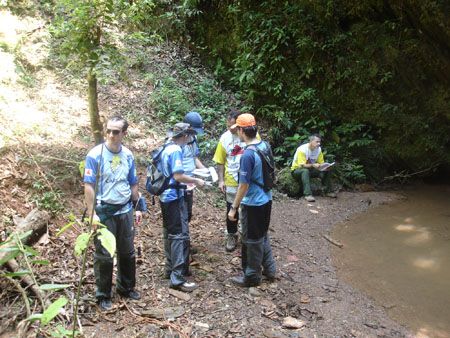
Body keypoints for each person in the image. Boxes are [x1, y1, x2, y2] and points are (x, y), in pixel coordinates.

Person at [84, 116, 146, 311]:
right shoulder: (95, 155)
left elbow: (133, 182)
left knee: (127, 252)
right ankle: (103, 294)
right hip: (105, 211)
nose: (111, 135)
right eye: (108, 131)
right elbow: (89, 185)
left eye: (116, 132)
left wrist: (138, 206)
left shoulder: (128, 155)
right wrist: (92, 214)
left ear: (124, 134)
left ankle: (126, 287)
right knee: (104, 255)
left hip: (125, 209)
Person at [228, 113, 276, 287]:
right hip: (267, 198)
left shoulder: (248, 155)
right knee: (262, 234)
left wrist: (233, 208)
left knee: (251, 240)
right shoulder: (265, 146)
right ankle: (270, 269)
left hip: (253, 203)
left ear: (241, 130)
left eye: (237, 130)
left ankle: (252, 276)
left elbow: (243, 185)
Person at [159, 122, 205, 292]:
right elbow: (178, 176)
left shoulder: (165, 147)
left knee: (168, 233)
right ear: (184, 136)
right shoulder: (176, 150)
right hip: (174, 196)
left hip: (165, 196)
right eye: (188, 136)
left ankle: (169, 269)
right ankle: (177, 278)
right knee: (178, 235)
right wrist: (196, 180)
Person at [213, 110, 246, 252]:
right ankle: (232, 235)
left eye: (233, 126)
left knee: (248, 208)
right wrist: (221, 180)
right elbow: (220, 161)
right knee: (231, 209)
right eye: (228, 126)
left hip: (247, 179)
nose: (230, 129)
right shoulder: (224, 138)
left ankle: (247, 234)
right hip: (231, 178)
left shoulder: (249, 135)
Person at [290, 134, 336, 202]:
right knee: (305, 171)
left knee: (327, 170)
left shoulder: (318, 149)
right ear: (311, 141)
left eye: (319, 142)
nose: (319, 144)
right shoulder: (302, 149)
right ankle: (307, 194)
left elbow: (321, 163)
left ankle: (328, 191)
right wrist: (313, 165)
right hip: (297, 170)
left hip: (310, 170)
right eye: (317, 142)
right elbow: (302, 165)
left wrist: (325, 167)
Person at [182, 111, 206, 223]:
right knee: (180, 215)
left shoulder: (193, 139)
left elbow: (194, 157)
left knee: (188, 213)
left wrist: (205, 170)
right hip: (178, 183)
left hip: (190, 183)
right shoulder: (178, 142)